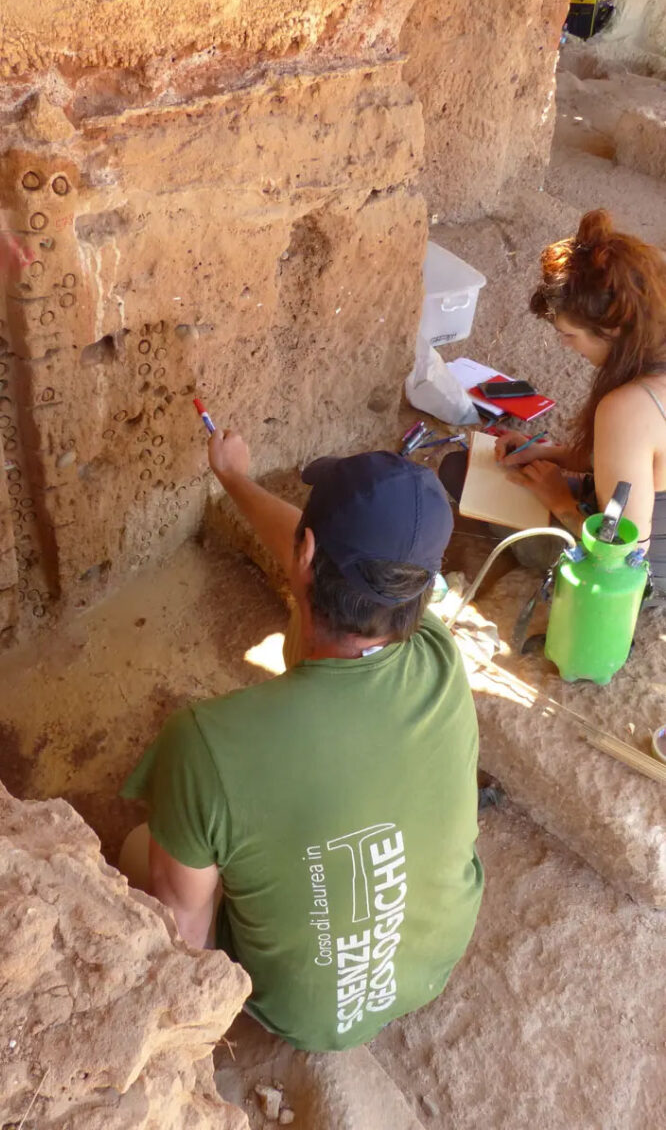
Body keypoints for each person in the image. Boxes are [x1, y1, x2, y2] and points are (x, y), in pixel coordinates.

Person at [120, 433, 483, 1053]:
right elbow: (316, 551)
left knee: (138, 848)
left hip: (309, 1013)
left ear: (307, 554)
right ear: (421, 588)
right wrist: (237, 481)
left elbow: (184, 930)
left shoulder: (204, 744)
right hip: (430, 965)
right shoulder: (440, 656)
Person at [440, 210, 666, 589]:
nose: (564, 346)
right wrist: (548, 452)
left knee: (458, 474)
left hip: (642, 573)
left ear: (610, 329)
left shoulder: (629, 407)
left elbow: (624, 560)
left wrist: (559, 499)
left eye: (569, 335)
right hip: (645, 520)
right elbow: (642, 465)